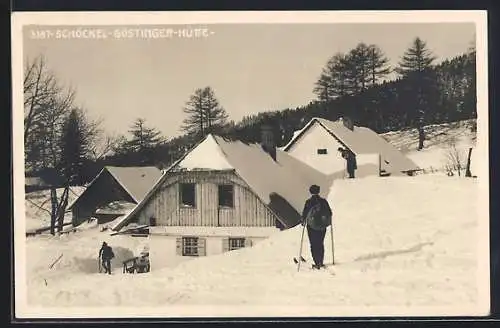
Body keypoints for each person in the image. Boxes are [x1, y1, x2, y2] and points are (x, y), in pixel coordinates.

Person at [301, 184, 333, 270]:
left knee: (313, 244)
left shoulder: (308, 202)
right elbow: (330, 213)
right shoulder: (323, 201)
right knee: (320, 243)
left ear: (310, 191)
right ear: (318, 191)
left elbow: (304, 214)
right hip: (322, 227)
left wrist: (303, 221)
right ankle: (321, 262)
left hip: (311, 227)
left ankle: (316, 262)